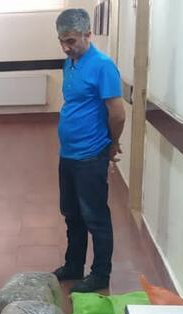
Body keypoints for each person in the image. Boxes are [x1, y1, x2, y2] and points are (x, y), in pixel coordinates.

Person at [52, 8, 125, 293]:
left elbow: (117, 113)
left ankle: (101, 274)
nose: (66, 47)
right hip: (68, 154)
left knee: (95, 217)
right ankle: (74, 265)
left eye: (71, 40)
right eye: (62, 41)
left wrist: (112, 143)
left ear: (88, 34)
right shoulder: (69, 63)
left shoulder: (103, 65)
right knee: (72, 214)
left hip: (91, 155)